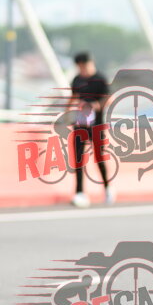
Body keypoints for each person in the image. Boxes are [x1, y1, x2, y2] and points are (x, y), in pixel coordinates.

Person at [69, 52, 112, 208]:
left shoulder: (100, 79)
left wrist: (96, 105)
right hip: (80, 124)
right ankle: (79, 192)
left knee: (99, 157)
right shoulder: (77, 79)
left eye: (84, 66)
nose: (82, 69)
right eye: (79, 67)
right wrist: (68, 111)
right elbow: (73, 97)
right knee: (78, 159)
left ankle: (107, 188)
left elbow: (109, 98)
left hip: (96, 125)